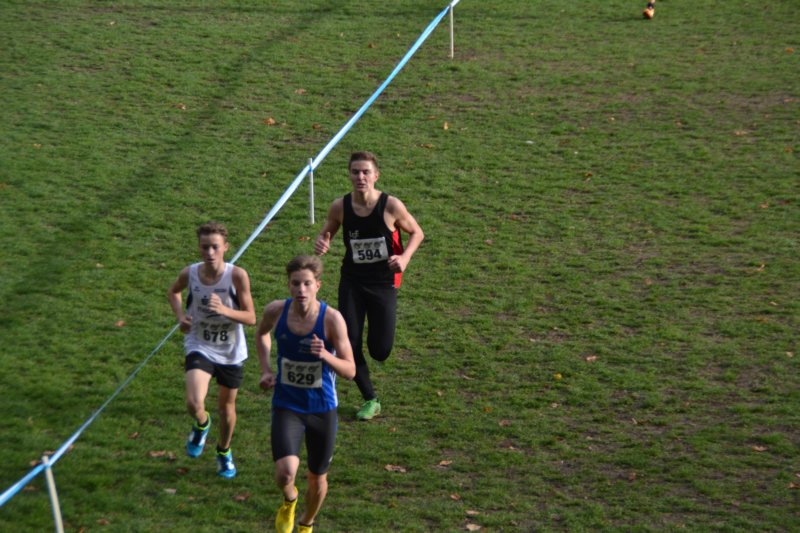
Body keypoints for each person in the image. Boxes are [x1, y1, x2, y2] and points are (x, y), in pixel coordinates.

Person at [314, 151, 424, 420]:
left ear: (376, 176)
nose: (360, 177)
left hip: (384, 282)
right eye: (355, 172)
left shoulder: (390, 206)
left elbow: (417, 232)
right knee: (348, 341)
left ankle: (372, 365)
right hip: (352, 281)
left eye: (365, 172)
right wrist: (323, 242)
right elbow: (327, 231)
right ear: (349, 175)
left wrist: (405, 258)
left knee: (380, 350)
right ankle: (370, 399)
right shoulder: (340, 206)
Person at [256, 255, 355, 533]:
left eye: (307, 283)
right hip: (287, 404)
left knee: (317, 478)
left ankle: (306, 523)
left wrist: (326, 355)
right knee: (285, 472)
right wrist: (265, 369)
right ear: (288, 285)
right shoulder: (276, 311)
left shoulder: (332, 319)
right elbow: (261, 333)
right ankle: (290, 499)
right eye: (295, 283)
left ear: (317, 285)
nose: (301, 289)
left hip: (322, 408)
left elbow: (350, 370)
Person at [167, 221, 256, 479]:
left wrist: (225, 310)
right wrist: (180, 317)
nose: (209, 252)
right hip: (200, 345)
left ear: (225, 247)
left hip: (230, 351)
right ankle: (202, 424)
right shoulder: (191, 273)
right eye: (205, 247)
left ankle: (223, 451)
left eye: (215, 247)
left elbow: (251, 317)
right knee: (194, 402)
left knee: (226, 408)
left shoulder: (237, 276)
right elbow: (173, 292)